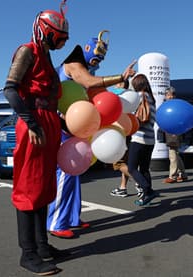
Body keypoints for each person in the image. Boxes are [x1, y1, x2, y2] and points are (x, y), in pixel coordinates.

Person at [46, 31, 136, 239]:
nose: (98, 62)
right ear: (86, 49)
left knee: (75, 171)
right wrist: (120, 77)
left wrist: (121, 79)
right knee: (65, 172)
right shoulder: (74, 63)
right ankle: (56, 221)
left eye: (100, 59)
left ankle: (72, 218)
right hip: (64, 123)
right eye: (96, 57)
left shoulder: (84, 66)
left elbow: (94, 86)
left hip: (77, 124)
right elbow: (87, 82)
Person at [3, 8, 69, 275]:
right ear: (47, 31)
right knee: (28, 188)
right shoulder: (27, 50)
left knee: (44, 187)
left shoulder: (47, 57)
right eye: (60, 37)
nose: (62, 42)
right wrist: (31, 122)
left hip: (49, 122)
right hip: (34, 122)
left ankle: (42, 246)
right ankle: (27, 253)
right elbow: (10, 89)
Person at [128, 74, 158, 206]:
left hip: (139, 137)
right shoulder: (152, 98)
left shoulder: (139, 96)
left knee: (132, 168)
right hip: (151, 139)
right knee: (144, 169)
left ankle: (148, 190)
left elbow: (130, 110)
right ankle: (147, 196)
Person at [162, 87, 188, 183]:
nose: (170, 96)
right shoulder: (165, 105)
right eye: (168, 95)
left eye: (172, 94)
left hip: (175, 132)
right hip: (168, 132)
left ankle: (173, 175)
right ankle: (183, 174)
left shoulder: (177, 105)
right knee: (176, 154)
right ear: (165, 96)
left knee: (173, 154)